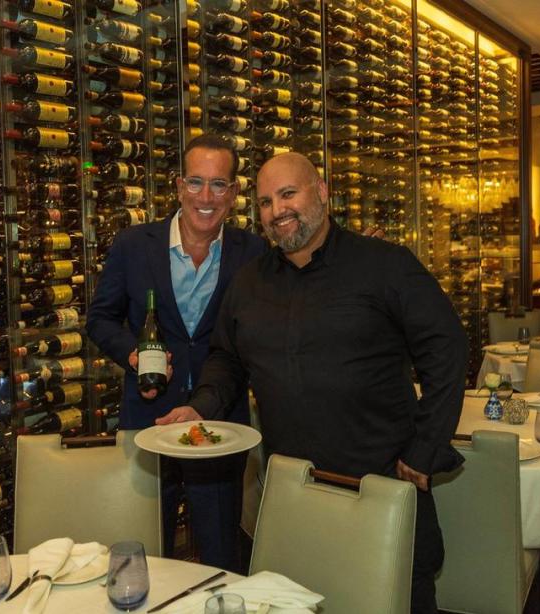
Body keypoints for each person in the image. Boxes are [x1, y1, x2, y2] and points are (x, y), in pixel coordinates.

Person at [157, 152, 469, 614]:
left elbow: (447, 349)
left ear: (321, 192)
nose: (276, 210)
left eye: (288, 194)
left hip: (379, 485)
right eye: (265, 201)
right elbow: (226, 357)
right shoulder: (248, 282)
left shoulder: (385, 265)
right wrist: (200, 407)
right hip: (292, 495)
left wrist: (425, 449)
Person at [86, 134, 268, 572]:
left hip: (221, 422)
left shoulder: (255, 252)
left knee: (221, 554)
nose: (206, 197)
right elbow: (100, 319)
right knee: (145, 551)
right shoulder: (134, 245)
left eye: (219, 184)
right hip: (147, 418)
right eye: (196, 182)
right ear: (178, 185)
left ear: (235, 192)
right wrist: (133, 353)